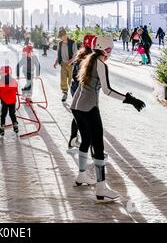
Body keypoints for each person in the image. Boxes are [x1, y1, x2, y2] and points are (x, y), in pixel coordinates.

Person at [70, 35, 145, 202]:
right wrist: (129, 99)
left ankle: (82, 175)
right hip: (89, 108)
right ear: (106, 49)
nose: (110, 53)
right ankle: (101, 188)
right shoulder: (100, 64)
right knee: (98, 145)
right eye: (110, 49)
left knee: (86, 140)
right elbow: (107, 90)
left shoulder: (88, 58)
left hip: (76, 107)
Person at [67, 35, 94, 152]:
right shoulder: (89, 57)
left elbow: (71, 65)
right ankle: (91, 145)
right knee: (85, 115)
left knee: (79, 113)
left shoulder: (81, 54)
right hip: (81, 88)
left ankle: (74, 138)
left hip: (75, 86)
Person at [0, 66, 19, 137]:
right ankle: (15, 125)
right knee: (12, 114)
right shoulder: (14, 81)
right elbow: (16, 89)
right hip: (13, 101)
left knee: (3, 115)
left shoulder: (0, 83)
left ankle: (2, 129)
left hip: (4, 102)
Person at [54, 29, 77, 102]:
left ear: (65, 35)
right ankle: (65, 93)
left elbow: (76, 54)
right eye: (60, 37)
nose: (61, 38)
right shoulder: (60, 43)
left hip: (71, 64)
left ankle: (75, 95)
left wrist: (71, 61)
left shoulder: (72, 43)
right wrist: (56, 62)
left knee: (71, 80)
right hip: (63, 64)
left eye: (62, 36)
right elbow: (59, 54)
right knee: (63, 79)